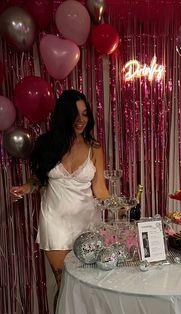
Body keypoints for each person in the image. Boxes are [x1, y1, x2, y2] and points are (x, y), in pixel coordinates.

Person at [9, 90, 110, 304]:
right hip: (55, 222)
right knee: (65, 285)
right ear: (63, 115)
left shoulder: (95, 147)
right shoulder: (47, 143)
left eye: (85, 114)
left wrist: (122, 208)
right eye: (75, 114)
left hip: (87, 224)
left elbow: (99, 188)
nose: (81, 120)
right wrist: (25, 188)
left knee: (88, 287)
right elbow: (38, 179)